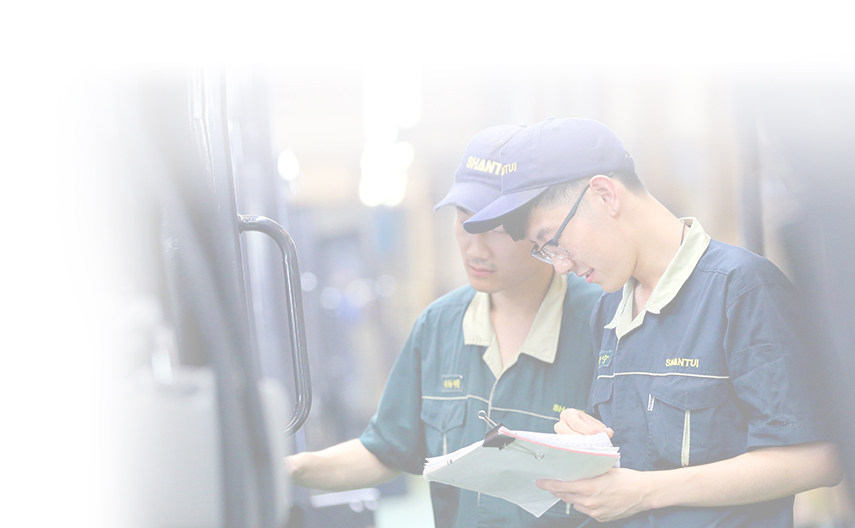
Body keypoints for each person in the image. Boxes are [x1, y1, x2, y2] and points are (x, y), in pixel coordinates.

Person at [463, 117, 843, 527]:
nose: (560, 266)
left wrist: (644, 491)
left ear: (605, 195)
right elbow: (641, 457)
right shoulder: (609, 311)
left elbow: (817, 459)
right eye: (544, 251)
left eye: (553, 241)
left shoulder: (742, 290)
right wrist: (589, 444)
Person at [286, 124, 604, 527]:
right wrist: (291, 468)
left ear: (542, 226)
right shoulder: (439, 327)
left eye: (496, 228)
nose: (475, 247)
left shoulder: (602, 321)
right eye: (465, 221)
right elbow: (387, 449)